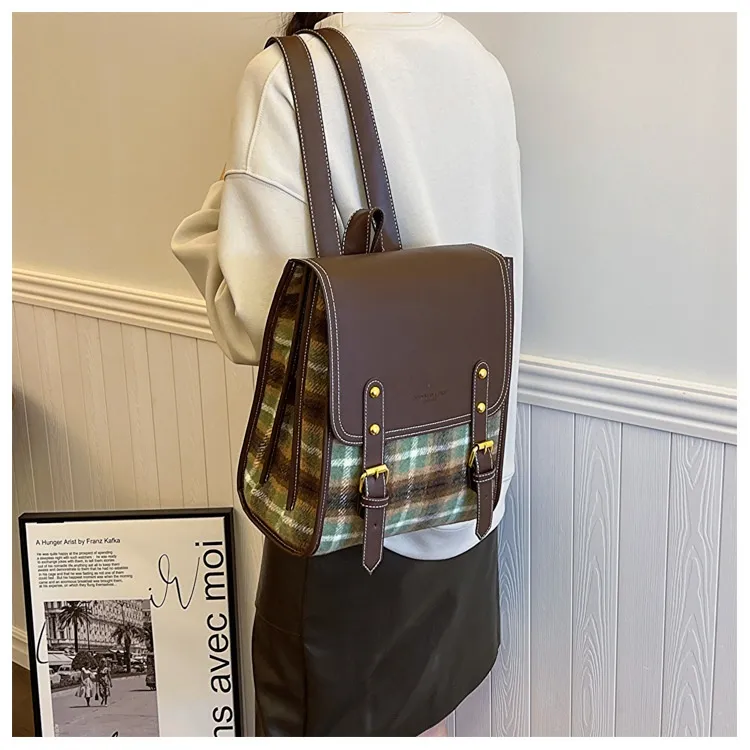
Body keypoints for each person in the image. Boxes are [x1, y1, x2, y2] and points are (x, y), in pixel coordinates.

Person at [172, 12, 523, 737]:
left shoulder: (287, 78)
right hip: (470, 480)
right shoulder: (481, 66)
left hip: (355, 511)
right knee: (425, 716)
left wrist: (217, 210)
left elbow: (253, 327)